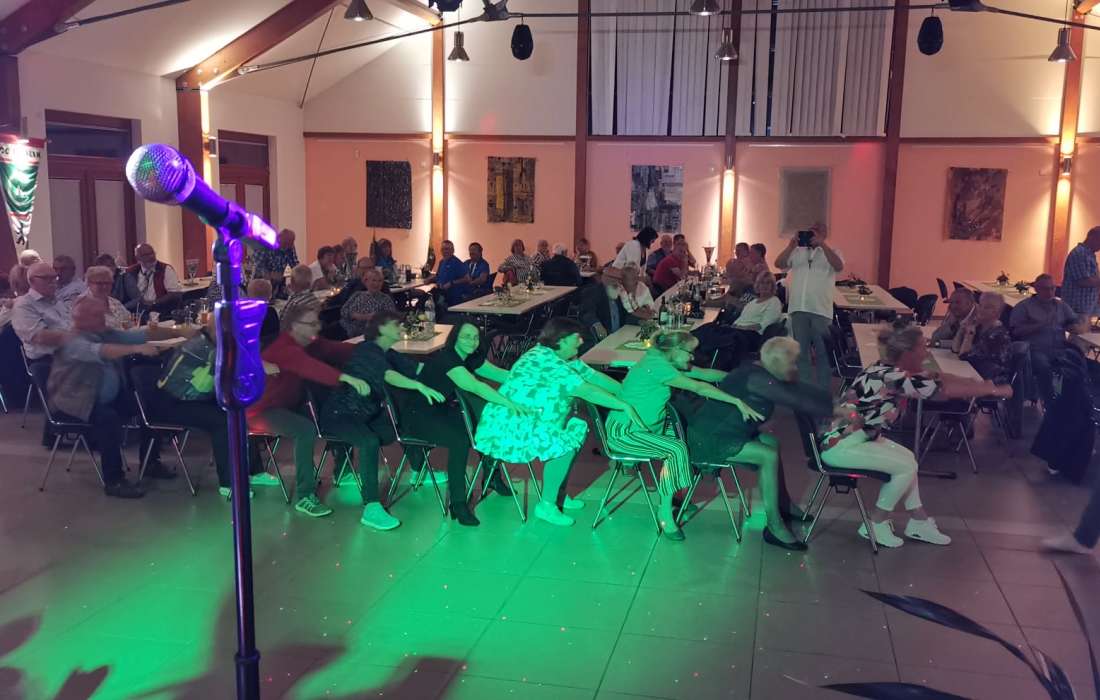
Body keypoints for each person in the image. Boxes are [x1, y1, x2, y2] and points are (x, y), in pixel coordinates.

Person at [818, 322, 1013, 547]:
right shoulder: (893, 377)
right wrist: (992, 389)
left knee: (909, 459)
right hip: (840, 445)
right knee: (906, 467)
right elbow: (944, 391)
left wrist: (975, 383)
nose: (926, 352)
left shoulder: (888, 368)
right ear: (907, 352)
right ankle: (876, 523)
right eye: (922, 347)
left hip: (853, 438)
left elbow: (938, 377)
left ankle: (918, 521)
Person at [474, 318, 643, 526]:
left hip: (529, 419)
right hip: (511, 425)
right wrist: (623, 405)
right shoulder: (547, 361)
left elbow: (594, 378)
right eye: (576, 338)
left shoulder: (560, 357)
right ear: (561, 340)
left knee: (573, 432)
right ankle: (547, 505)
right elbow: (587, 391)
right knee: (566, 445)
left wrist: (628, 393)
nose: (581, 341)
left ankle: (556, 493)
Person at [606, 330, 763, 540]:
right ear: (674, 350)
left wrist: (739, 378)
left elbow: (703, 374)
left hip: (647, 427)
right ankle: (665, 512)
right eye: (689, 352)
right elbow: (699, 387)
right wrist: (736, 401)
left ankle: (673, 494)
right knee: (676, 448)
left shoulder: (663, 360)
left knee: (688, 438)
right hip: (625, 431)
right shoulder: (657, 366)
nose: (692, 356)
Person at [687, 336, 834, 549]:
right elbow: (796, 399)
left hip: (728, 432)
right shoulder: (758, 380)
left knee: (771, 443)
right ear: (776, 363)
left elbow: (797, 388)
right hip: (710, 438)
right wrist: (836, 409)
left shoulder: (759, 371)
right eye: (792, 363)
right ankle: (774, 526)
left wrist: (831, 401)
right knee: (768, 455)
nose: (795, 368)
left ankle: (783, 504)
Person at [392, 322, 530, 525]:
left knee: (485, 423)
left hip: (440, 410)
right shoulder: (448, 359)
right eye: (466, 336)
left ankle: (492, 477)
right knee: (460, 440)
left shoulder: (469, 357)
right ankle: (458, 503)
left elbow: (501, 375)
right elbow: (476, 386)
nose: (471, 342)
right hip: (418, 416)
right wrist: (510, 404)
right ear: (454, 338)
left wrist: (531, 378)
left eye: (475, 337)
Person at [322, 310, 445, 530]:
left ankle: (418, 470)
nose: (401, 327)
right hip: (340, 414)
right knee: (369, 442)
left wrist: (452, 372)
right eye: (395, 324)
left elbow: (419, 369)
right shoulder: (367, 349)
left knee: (402, 424)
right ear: (380, 328)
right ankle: (371, 507)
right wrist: (418, 385)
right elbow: (388, 375)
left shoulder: (390, 353)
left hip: (365, 415)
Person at [248, 298, 370, 517]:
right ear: (295, 326)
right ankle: (305, 496)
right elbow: (311, 368)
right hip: (260, 410)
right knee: (304, 430)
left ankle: (342, 470)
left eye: (317, 322)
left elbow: (338, 349)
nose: (318, 327)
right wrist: (346, 378)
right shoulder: (285, 349)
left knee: (334, 413)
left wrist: (373, 349)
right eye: (312, 324)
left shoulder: (310, 343)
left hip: (287, 404)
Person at [47, 297, 173, 498]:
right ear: (81, 318)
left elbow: (137, 336)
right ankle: (114, 481)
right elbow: (103, 351)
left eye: (102, 315)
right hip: (76, 402)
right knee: (108, 420)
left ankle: (150, 463)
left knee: (151, 406)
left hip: (105, 398)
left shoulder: (103, 333)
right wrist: (136, 349)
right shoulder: (72, 341)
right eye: (97, 316)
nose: (103, 319)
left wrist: (176, 332)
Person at [155, 313, 277, 496]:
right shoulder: (202, 346)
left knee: (238, 409)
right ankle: (228, 484)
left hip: (196, 397)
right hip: (172, 402)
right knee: (222, 421)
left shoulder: (214, 342)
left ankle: (253, 471)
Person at [775, 224, 844, 387]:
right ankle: (804, 391)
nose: (814, 234)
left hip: (821, 310)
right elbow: (779, 263)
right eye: (812, 231)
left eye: (818, 231)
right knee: (801, 354)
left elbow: (839, 266)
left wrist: (822, 245)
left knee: (823, 354)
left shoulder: (833, 252)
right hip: (798, 308)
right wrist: (791, 245)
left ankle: (822, 392)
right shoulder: (797, 252)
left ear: (825, 234)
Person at [1010, 274, 1079, 404]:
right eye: (1046, 289)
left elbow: (1074, 321)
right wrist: (1040, 325)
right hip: (1035, 350)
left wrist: (1077, 326)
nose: (1050, 292)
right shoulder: (1024, 306)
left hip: (1060, 348)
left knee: (1076, 364)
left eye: (1053, 288)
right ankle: (1049, 401)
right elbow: (1016, 331)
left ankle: (1069, 401)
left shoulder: (1060, 305)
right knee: (1044, 366)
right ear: (1036, 289)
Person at [954, 292, 1012, 383]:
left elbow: (963, 356)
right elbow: (955, 349)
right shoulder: (979, 327)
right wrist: (962, 328)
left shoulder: (997, 335)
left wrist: (969, 336)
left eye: (987, 307)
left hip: (990, 382)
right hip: (973, 374)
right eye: (980, 305)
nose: (981, 309)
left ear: (997, 312)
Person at [726, 272, 784, 362]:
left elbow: (763, 325)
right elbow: (740, 319)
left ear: (772, 286)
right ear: (758, 285)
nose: (764, 286)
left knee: (728, 337)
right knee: (710, 328)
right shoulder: (752, 302)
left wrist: (743, 328)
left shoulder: (774, 302)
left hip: (753, 335)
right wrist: (734, 326)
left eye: (768, 283)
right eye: (762, 283)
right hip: (738, 331)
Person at [114, 243, 183, 316]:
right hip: (136, 311)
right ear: (138, 258)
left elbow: (175, 294)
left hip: (160, 310)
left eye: (152, 253)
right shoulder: (131, 272)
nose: (151, 257)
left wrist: (153, 303)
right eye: (146, 255)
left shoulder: (165, 269)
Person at [340, 267, 397, 338]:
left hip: (362, 331)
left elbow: (391, 318)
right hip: (344, 325)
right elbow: (343, 311)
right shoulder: (357, 294)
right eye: (373, 280)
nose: (376, 284)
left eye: (380, 281)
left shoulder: (385, 299)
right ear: (366, 281)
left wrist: (369, 318)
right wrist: (356, 316)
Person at [1061, 226, 1100, 318]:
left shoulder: (1089, 254)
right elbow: (1083, 281)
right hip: (1076, 309)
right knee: (1078, 328)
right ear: (1091, 237)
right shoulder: (1080, 253)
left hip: (1086, 308)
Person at [252, 228, 300, 298]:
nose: (287, 248)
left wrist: (294, 277)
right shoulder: (265, 244)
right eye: (285, 244)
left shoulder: (290, 246)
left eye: (290, 244)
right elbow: (258, 267)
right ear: (278, 239)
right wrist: (271, 275)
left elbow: (294, 264)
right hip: (262, 286)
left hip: (280, 287)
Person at [605, 262, 655, 330]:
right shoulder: (621, 291)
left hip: (631, 317)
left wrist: (647, 311)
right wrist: (647, 316)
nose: (636, 282)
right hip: (621, 321)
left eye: (636, 278)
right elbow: (632, 311)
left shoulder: (635, 288)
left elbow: (637, 308)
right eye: (632, 279)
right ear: (623, 281)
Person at [81, 266, 132, 330]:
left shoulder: (115, 303)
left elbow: (130, 325)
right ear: (89, 283)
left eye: (107, 283)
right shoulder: (81, 306)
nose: (104, 286)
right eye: (99, 283)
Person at [429, 240, 471, 306]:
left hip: (453, 295)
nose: (444, 251)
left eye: (447, 249)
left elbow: (467, 279)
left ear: (453, 250)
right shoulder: (442, 262)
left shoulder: (457, 263)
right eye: (442, 249)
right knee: (424, 298)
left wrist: (451, 283)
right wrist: (429, 279)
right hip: (441, 292)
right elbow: (438, 275)